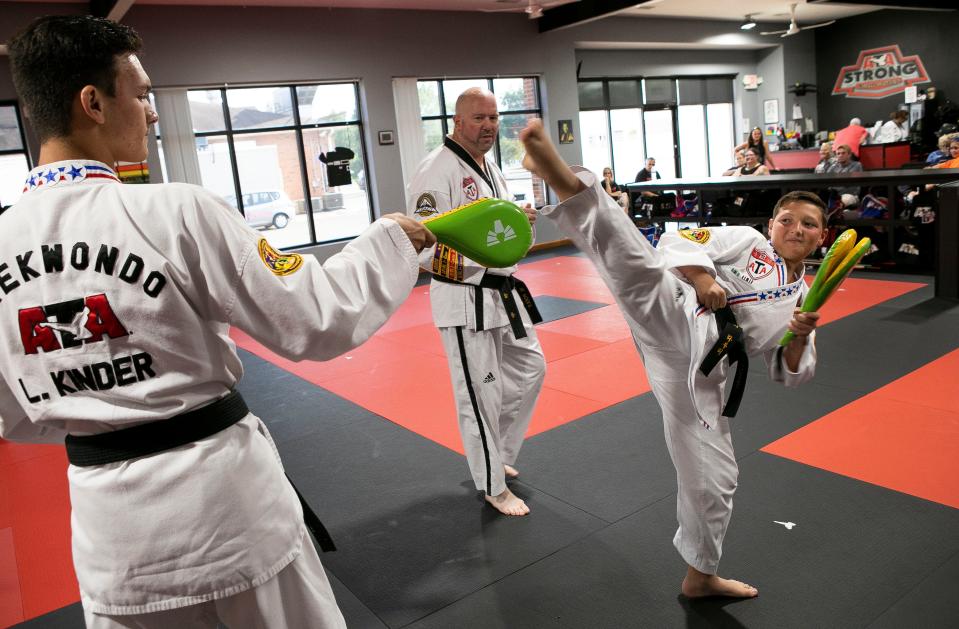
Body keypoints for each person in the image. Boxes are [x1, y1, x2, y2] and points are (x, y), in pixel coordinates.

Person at [2, 15, 435, 628]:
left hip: (114, 539)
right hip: (227, 511)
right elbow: (314, 319)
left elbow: (14, 415)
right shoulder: (175, 211)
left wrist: (102, 410)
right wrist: (389, 239)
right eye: (144, 94)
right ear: (93, 103)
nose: (152, 113)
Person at [519, 118, 823, 599]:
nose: (796, 229)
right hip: (680, 314)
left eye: (808, 224)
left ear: (821, 237)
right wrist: (704, 281)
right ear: (771, 225)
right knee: (635, 264)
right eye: (787, 220)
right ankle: (561, 177)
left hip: (704, 377)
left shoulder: (804, 298)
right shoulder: (746, 239)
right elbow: (680, 242)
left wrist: (801, 336)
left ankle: (700, 576)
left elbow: (789, 375)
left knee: (717, 478)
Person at [406, 88, 544, 517]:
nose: (488, 126)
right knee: (478, 395)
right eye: (479, 118)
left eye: (494, 117)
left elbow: (491, 224)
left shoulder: (490, 167)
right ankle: (492, 484)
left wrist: (518, 221)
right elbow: (424, 245)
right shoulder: (436, 171)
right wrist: (483, 265)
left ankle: (496, 452)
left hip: (502, 292)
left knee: (530, 367)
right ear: (457, 121)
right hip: (466, 299)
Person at [823, 143, 864, 208]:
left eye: (843, 153)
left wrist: (833, 188)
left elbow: (849, 184)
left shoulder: (857, 165)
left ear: (849, 155)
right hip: (834, 194)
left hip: (850, 195)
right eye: (838, 154)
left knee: (843, 200)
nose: (840, 155)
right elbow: (826, 180)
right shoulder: (834, 166)